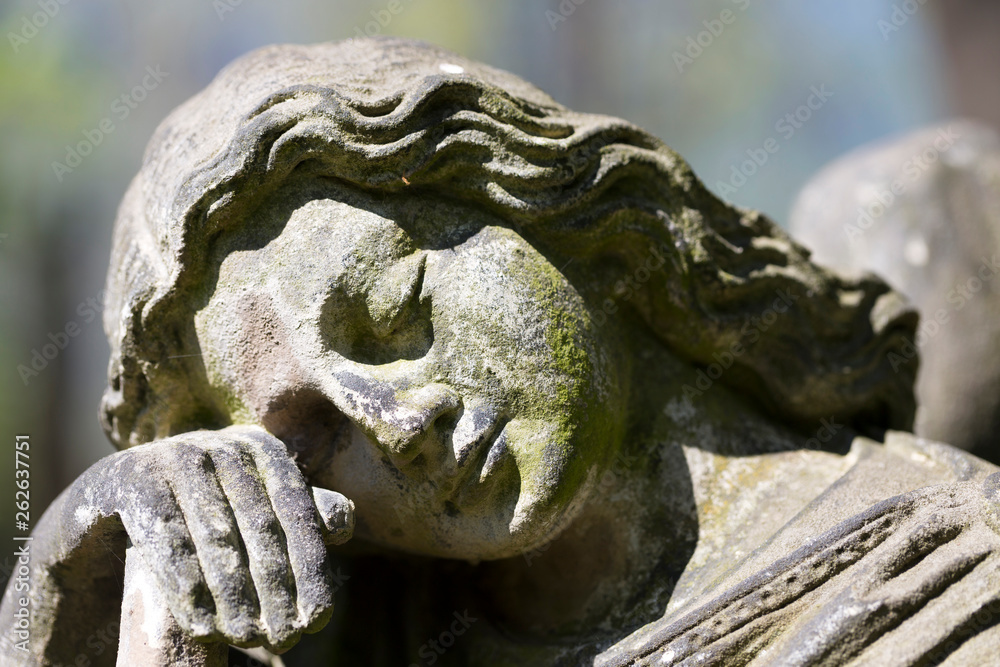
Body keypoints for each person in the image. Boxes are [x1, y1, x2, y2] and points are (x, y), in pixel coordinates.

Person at [2, 38, 998, 666]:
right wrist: (84, 576)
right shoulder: (376, 640)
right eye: (308, 440)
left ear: (552, 206)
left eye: (396, 312)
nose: (393, 422)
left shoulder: (946, 577)